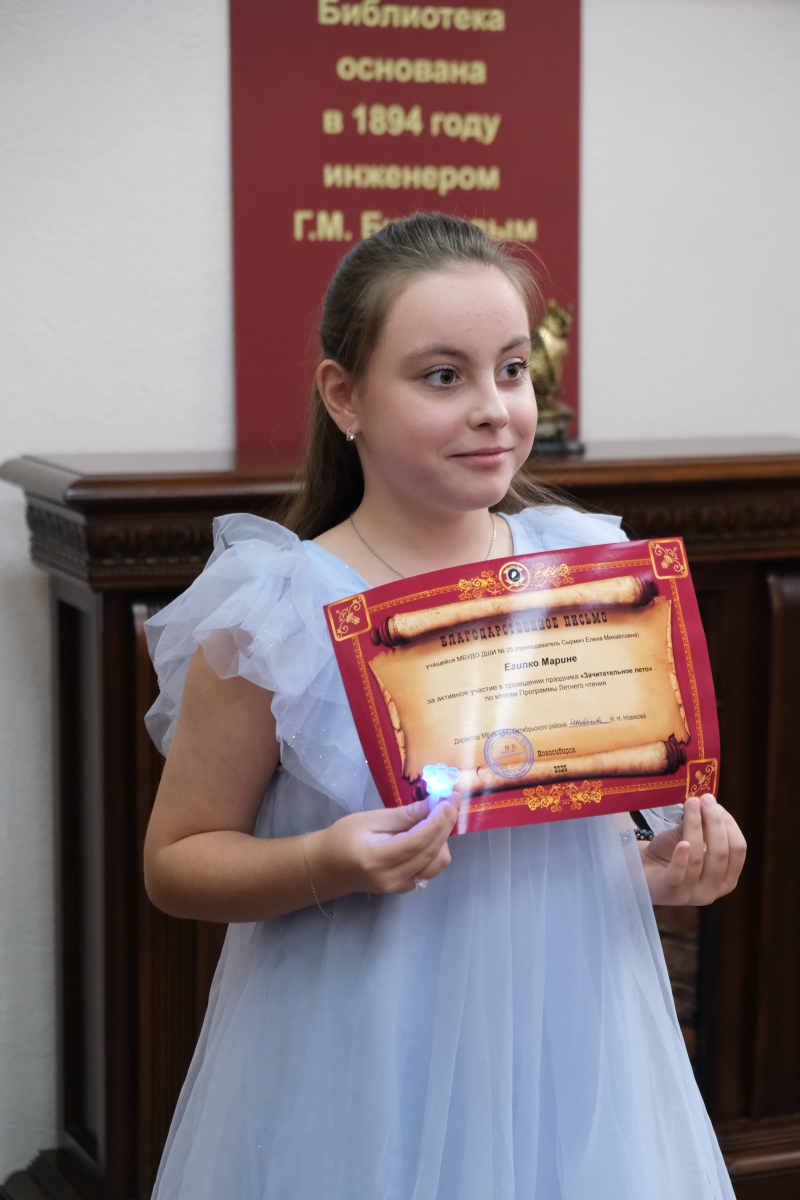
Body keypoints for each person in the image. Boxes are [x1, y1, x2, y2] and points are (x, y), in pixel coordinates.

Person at [144, 213, 745, 1199]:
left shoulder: (584, 576)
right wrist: (325, 859)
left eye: (510, 369)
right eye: (441, 376)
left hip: (564, 1043)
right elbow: (176, 863)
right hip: (364, 1055)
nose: (492, 410)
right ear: (345, 396)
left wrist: (653, 869)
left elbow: (566, 839)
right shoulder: (279, 613)